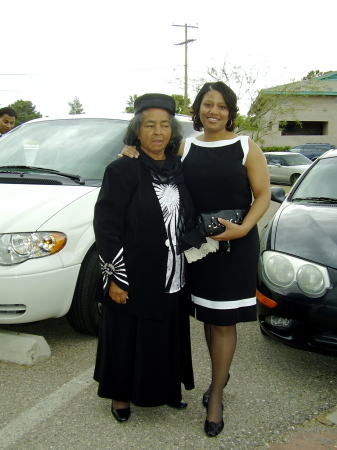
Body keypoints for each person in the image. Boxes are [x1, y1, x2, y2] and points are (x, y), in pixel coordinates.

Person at [120, 82, 271, 437]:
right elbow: (154, 162)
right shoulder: (185, 146)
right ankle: (221, 371)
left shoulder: (246, 147)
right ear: (198, 109)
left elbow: (263, 195)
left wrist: (243, 228)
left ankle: (216, 395)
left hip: (235, 247)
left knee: (223, 322)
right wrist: (129, 150)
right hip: (197, 248)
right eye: (207, 104)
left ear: (230, 111)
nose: (213, 111)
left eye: (221, 105)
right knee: (207, 315)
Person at [93, 93, 195, 424]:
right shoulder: (122, 169)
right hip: (135, 273)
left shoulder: (180, 167)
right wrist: (116, 278)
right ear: (137, 131)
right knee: (127, 336)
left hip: (173, 271)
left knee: (165, 334)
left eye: (165, 125)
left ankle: (167, 390)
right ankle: (121, 396)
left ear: (173, 131)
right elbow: (106, 228)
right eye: (149, 125)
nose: (158, 131)